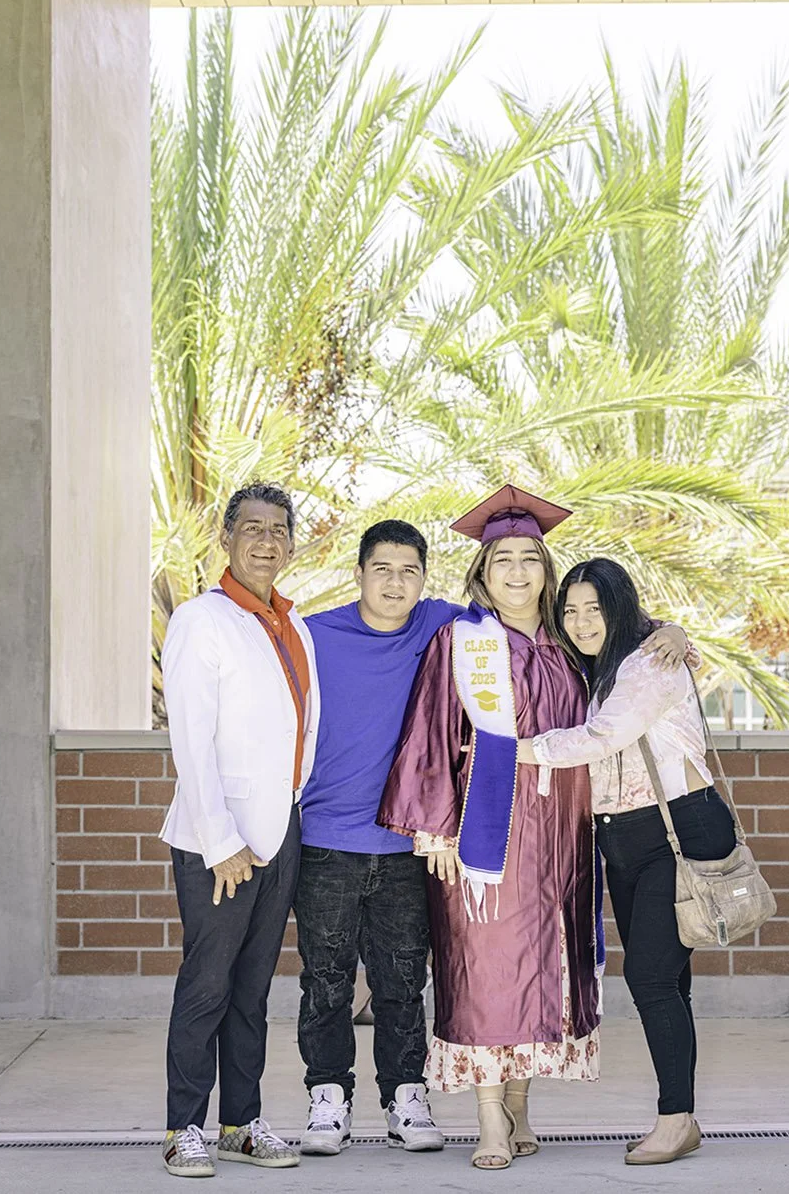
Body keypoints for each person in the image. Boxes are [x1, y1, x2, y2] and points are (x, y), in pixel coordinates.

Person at [378, 487, 693, 1171]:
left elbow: (631, 665)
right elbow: (428, 736)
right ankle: (490, 1120)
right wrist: (430, 829)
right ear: (481, 572)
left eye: (530, 559)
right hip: (483, 835)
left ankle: (520, 1104)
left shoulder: (571, 645)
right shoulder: (460, 641)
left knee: (544, 970)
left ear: (547, 571)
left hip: (563, 837)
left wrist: (672, 629)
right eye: (502, 561)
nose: (516, 573)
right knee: (485, 972)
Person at [517, 557, 737, 1168]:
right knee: (670, 981)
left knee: (650, 977)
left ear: (621, 609)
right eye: (571, 609)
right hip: (625, 839)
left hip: (678, 830)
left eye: (596, 608)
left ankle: (674, 1121)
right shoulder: (597, 668)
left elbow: (603, 737)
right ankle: (683, 1116)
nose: (582, 621)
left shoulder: (647, 663)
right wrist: (675, 627)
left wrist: (516, 751)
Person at [158, 482, 319, 1178]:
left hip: (281, 830)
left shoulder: (293, 623)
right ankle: (182, 1126)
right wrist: (221, 843)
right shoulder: (202, 619)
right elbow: (191, 742)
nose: (266, 540)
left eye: (278, 529)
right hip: (217, 842)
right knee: (208, 984)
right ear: (226, 538)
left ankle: (240, 1123)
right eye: (251, 528)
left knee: (252, 988)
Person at [295, 520, 459, 1156]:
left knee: (401, 980)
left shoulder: (440, 625)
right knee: (327, 979)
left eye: (409, 571)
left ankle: (404, 1097)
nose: (396, 582)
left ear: (424, 577)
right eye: (382, 569)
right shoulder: (313, 635)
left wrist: (656, 631)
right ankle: (328, 1097)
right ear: (359, 573)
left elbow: (528, 604)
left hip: (406, 844)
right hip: (326, 841)